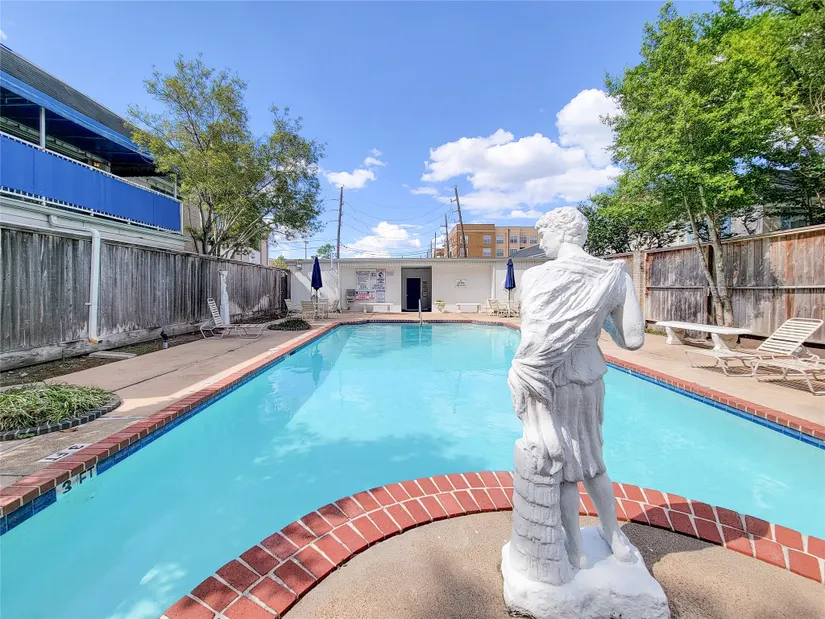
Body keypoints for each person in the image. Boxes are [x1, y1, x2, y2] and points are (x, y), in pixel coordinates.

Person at [508, 207, 644, 571]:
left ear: (562, 233)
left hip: (550, 379)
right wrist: (603, 312)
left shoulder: (537, 277)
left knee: (565, 464)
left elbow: (534, 337)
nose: (541, 244)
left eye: (543, 236)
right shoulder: (614, 276)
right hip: (589, 375)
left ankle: (577, 551)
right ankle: (614, 537)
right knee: (594, 459)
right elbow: (632, 339)